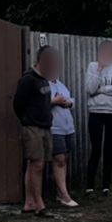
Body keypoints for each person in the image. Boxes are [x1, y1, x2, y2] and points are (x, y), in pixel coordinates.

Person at [13, 46, 59, 216]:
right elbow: (18, 104)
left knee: (35, 165)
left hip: (45, 126)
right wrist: (27, 120)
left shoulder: (44, 80)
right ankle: (40, 205)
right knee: (37, 164)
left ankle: (29, 203)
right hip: (32, 127)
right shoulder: (28, 79)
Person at [85, 40, 112, 196]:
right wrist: (99, 70)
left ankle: (106, 186)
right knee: (96, 149)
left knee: (109, 149)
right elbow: (90, 89)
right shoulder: (92, 66)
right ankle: (89, 187)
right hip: (96, 112)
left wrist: (101, 90)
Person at [48, 68, 80, 208]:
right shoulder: (43, 85)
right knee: (59, 159)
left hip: (68, 128)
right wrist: (55, 101)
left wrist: (69, 103)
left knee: (64, 159)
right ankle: (65, 195)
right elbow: (40, 104)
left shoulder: (61, 85)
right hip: (54, 128)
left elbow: (70, 100)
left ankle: (60, 192)